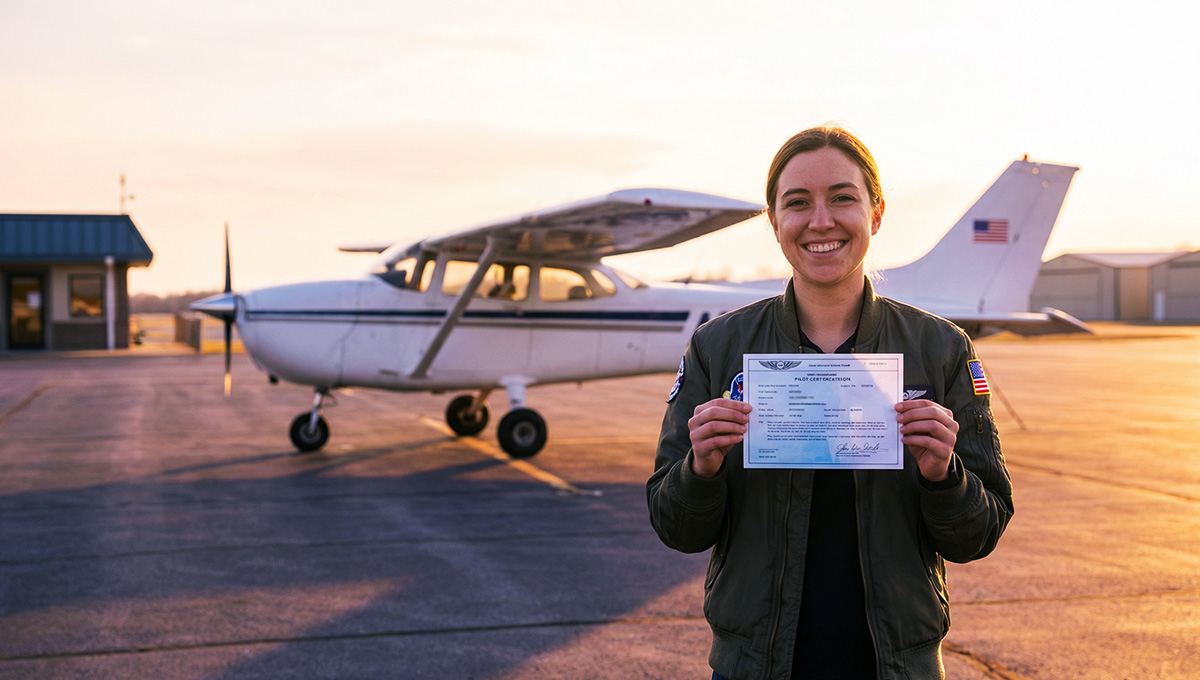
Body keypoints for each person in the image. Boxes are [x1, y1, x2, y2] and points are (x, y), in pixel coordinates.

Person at [646, 126, 1014, 680]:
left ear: (877, 212)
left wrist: (946, 475)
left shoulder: (940, 351)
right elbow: (676, 528)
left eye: (843, 197)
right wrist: (700, 470)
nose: (821, 221)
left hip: (896, 668)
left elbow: (979, 534)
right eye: (798, 203)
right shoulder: (718, 349)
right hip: (755, 667)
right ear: (775, 223)